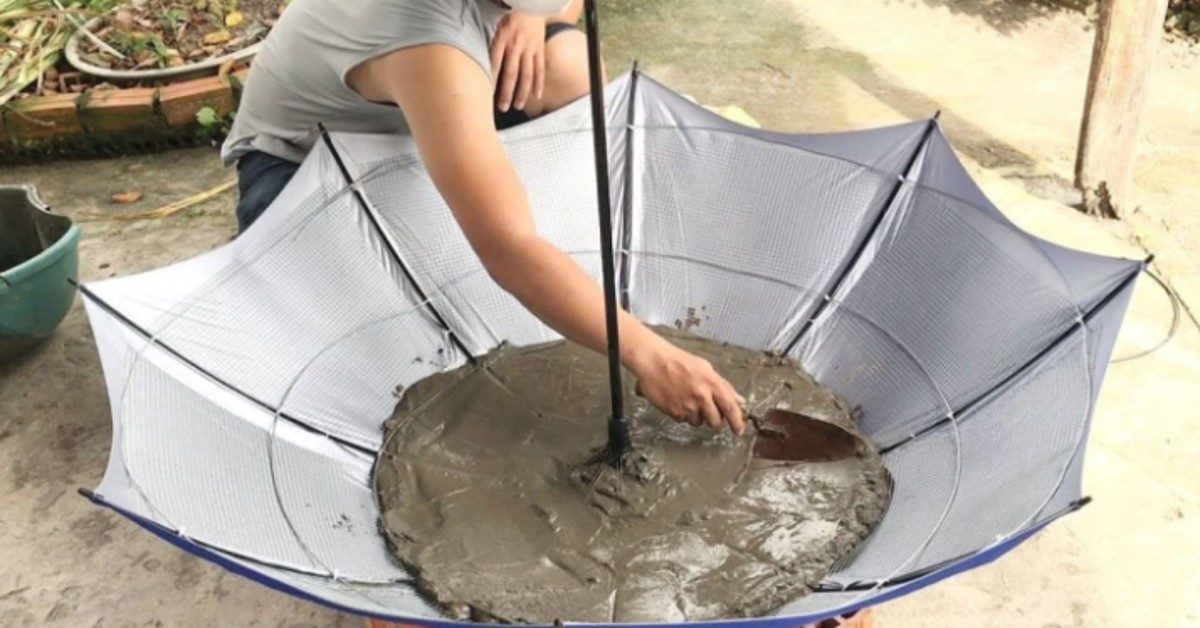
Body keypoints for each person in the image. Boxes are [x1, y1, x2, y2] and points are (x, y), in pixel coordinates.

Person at [220, 0, 748, 435]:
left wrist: (530, 16)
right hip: (305, 166)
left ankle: (476, 183)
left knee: (569, 65)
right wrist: (651, 357)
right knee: (373, 348)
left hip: (405, 109)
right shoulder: (429, 44)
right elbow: (506, 247)